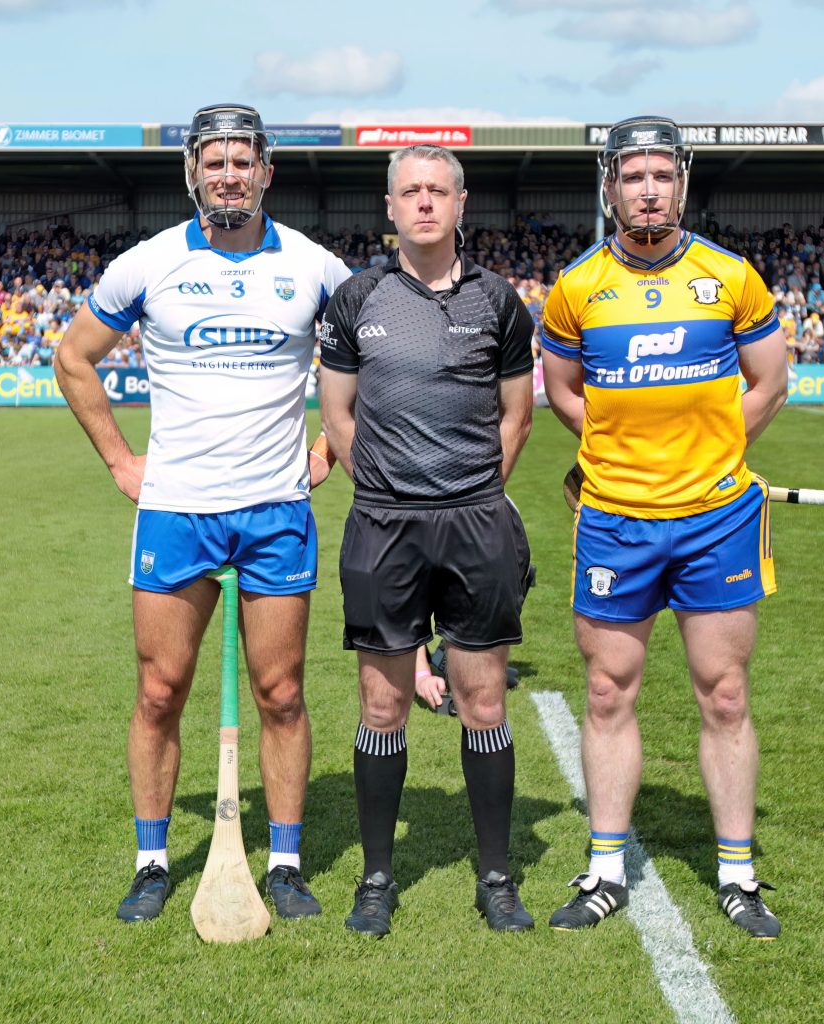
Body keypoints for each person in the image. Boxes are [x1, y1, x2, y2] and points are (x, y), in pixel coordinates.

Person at [54, 103, 351, 925]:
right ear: (192, 172)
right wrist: (120, 459)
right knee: (159, 691)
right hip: (178, 509)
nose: (228, 174)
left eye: (242, 161)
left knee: (282, 692)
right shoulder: (147, 265)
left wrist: (326, 449)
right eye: (213, 161)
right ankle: (153, 861)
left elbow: (375, 350)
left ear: (267, 171)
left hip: (275, 509)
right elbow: (73, 358)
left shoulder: (311, 263)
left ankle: (285, 864)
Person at [541, 116, 788, 939]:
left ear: (680, 183)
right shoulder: (577, 286)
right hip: (615, 519)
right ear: (610, 186)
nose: (649, 189)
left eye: (662, 175)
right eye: (633, 175)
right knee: (608, 689)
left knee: (723, 693)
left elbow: (769, 382)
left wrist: (712, 455)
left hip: (716, 517)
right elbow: (564, 390)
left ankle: (738, 873)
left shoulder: (730, 276)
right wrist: (617, 451)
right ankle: (606, 867)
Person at [318, 144, 535, 936]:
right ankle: (376, 879)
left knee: (481, 700)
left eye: (437, 190)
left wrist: (474, 491)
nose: (423, 203)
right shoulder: (355, 300)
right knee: (382, 705)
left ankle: (498, 877)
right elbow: (337, 415)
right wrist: (383, 487)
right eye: (409, 191)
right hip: (382, 526)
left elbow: (518, 416)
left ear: (461, 201)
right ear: (389, 207)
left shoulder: (500, 303)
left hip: (476, 524)